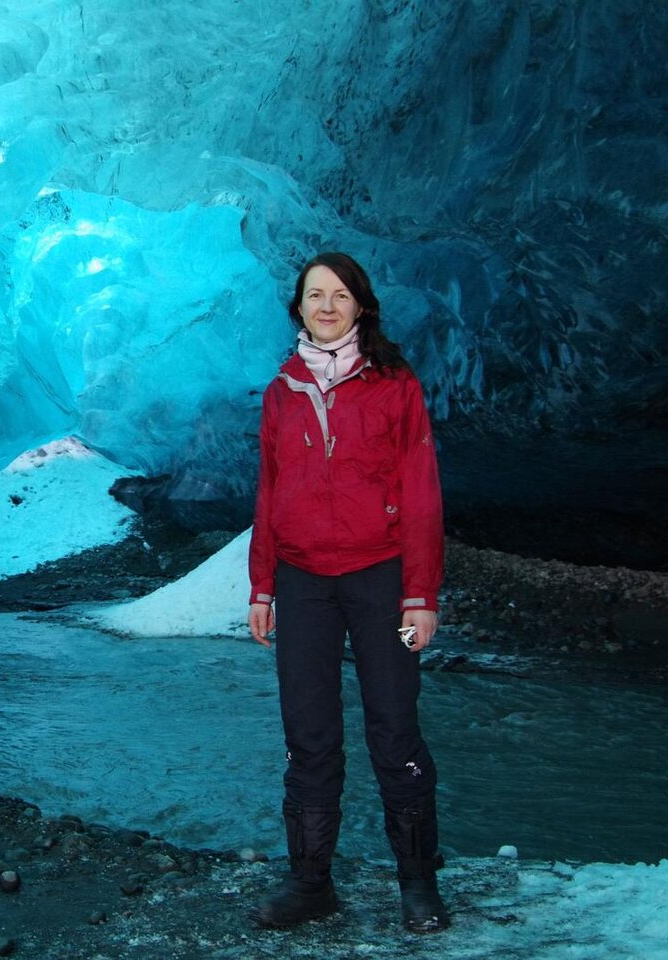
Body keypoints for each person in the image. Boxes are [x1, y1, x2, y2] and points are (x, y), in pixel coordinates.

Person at [246, 252, 449, 934]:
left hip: (378, 576)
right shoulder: (281, 389)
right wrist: (261, 586)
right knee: (308, 737)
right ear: (297, 307)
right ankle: (311, 884)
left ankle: (418, 886)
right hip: (302, 581)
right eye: (313, 295)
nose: (326, 306)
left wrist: (419, 594)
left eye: (339, 295)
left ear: (360, 305)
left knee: (395, 731)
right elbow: (270, 492)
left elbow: (420, 495)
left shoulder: (392, 383)